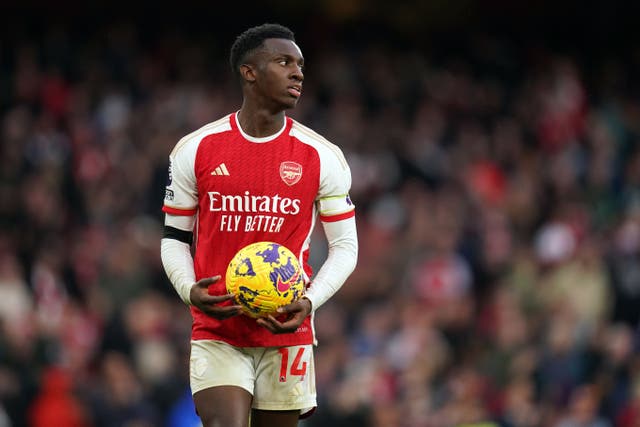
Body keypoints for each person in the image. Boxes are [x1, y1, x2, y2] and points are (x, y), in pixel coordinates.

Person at [160, 23, 358, 427]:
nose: (298, 73)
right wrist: (188, 291)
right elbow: (175, 239)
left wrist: (310, 301)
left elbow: (346, 247)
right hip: (219, 326)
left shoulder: (322, 156)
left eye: (300, 64)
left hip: (285, 326)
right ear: (249, 72)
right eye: (284, 62)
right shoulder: (196, 148)